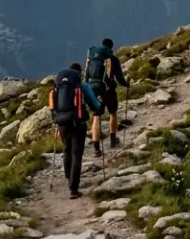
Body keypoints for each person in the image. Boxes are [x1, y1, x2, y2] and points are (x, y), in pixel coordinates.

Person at [50, 62, 103, 198]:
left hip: (62, 123)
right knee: (76, 154)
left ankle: (68, 177)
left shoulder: (59, 87)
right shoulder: (83, 86)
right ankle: (74, 189)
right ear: (79, 74)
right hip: (78, 123)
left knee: (66, 149)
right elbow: (94, 104)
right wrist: (98, 108)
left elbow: (54, 106)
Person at [84, 38, 130, 155]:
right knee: (113, 113)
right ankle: (113, 140)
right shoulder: (112, 59)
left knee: (96, 117)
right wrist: (126, 84)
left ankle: (96, 149)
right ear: (111, 48)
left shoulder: (92, 58)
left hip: (93, 89)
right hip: (107, 89)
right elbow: (119, 77)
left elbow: (86, 74)